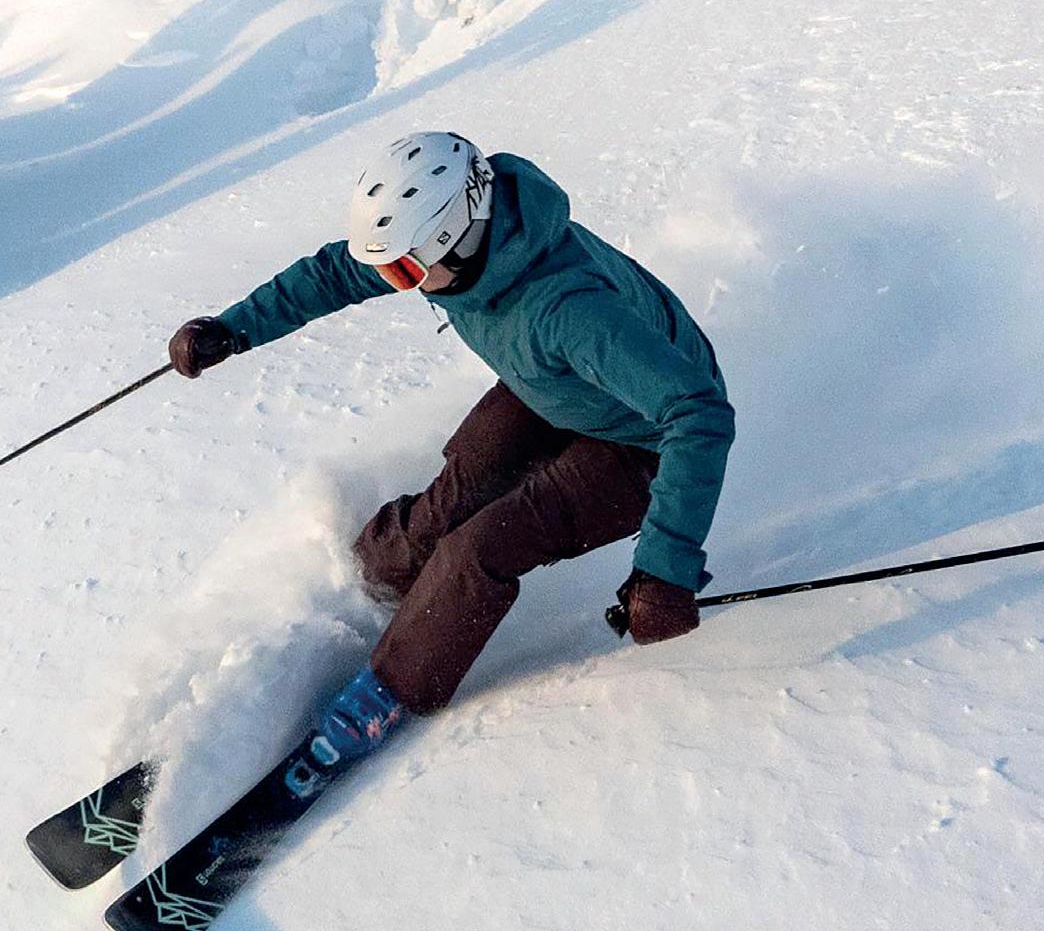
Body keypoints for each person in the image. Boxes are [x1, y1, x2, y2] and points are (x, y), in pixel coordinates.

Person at [164, 131, 734, 777]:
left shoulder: (570, 309)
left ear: (455, 237)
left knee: (479, 547)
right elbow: (334, 273)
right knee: (444, 508)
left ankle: (383, 695)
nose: (395, 283)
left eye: (403, 272)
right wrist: (234, 327)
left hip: (643, 444)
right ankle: (359, 593)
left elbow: (699, 412)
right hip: (557, 386)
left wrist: (665, 571)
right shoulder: (462, 249)